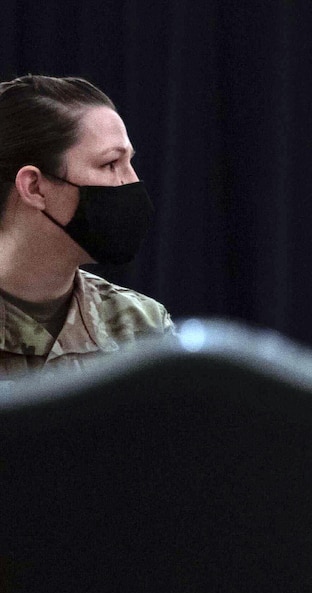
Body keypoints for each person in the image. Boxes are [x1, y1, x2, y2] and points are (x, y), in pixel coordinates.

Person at [0, 74, 170, 380]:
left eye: (129, 163)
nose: (131, 183)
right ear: (35, 187)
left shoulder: (142, 328)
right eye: (110, 164)